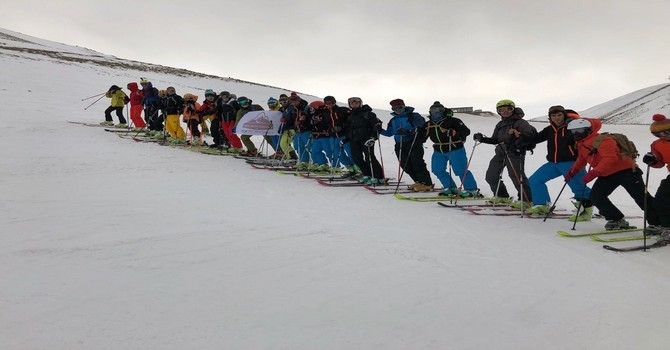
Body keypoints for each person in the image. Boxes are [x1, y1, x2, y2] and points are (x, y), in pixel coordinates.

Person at [564, 118, 661, 230]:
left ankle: (658, 223)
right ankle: (616, 219)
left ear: (589, 130)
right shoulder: (581, 144)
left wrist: (594, 173)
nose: (576, 134)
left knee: (641, 198)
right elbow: (582, 159)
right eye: (572, 131)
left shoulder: (604, 140)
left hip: (627, 171)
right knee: (596, 197)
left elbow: (610, 158)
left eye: (580, 130)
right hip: (607, 174)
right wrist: (573, 172)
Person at [526, 106, 593, 220]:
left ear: (564, 115)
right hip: (554, 163)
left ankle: (586, 210)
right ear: (550, 117)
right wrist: (521, 140)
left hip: (572, 162)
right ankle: (542, 205)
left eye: (559, 115)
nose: (556, 118)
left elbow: (585, 138)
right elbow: (536, 138)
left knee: (578, 187)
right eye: (553, 116)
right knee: (535, 180)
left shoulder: (572, 127)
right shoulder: (549, 129)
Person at [473, 99, 535, 206]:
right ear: (499, 112)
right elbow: (495, 140)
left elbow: (528, 136)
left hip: (515, 153)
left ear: (513, 110)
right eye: (502, 110)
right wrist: (482, 139)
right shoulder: (500, 124)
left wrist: (517, 141)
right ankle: (502, 196)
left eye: (508, 109)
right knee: (491, 176)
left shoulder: (521, 122)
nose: (505, 111)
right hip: (501, 152)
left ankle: (526, 200)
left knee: (517, 177)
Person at [425, 101, 479, 197]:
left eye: (438, 110)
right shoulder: (429, 124)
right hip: (438, 149)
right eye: (432, 111)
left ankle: (471, 190)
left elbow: (466, 131)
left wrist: (455, 133)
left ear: (443, 111)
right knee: (437, 170)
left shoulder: (453, 121)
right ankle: (450, 187)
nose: (435, 113)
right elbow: (422, 136)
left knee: (460, 170)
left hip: (455, 148)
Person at [380, 98, 433, 192]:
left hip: (413, 142)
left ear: (404, 106)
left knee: (417, 163)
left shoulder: (413, 116)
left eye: (399, 107)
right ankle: (418, 181)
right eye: (395, 108)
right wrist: (378, 129)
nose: (397, 110)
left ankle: (426, 183)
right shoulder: (393, 120)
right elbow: (389, 133)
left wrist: (408, 131)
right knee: (405, 165)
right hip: (399, 144)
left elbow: (421, 127)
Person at [640, 113, 670, 239]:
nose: (663, 136)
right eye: (658, 134)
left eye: (666, 132)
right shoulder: (657, 144)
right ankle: (667, 227)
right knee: (661, 200)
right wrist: (652, 160)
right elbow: (660, 163)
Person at [345, 97, 385, 184]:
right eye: (352, 103)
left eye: (356, 103)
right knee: (356, 158)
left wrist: (373, 137)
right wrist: (346, 138)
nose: (354, 105)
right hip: (354, 140)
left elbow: (376, 126)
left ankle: (378, 177)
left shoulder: (368, 114)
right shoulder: (351, 115)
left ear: (360, 103)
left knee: (369, 158)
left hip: (366, 139)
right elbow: (349, 129)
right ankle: (367, 174)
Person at [280, 92, 307, 160]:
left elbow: (293, 118)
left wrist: (287, 121)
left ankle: (293, 158)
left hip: (292, 128)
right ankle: (291, 157)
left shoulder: (292, 108)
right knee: (283, 144)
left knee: (287, 144)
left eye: (285, 102)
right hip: (287, 128)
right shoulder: (284, 109)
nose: (283, 103)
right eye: (281, 102)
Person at [293, 100, 319, 169]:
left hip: (306, 130)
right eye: (292, 101)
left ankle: (318, 162)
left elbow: (311, 118)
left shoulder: (307, 108)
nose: (294, 103)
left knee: (310, 147)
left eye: (295, 100)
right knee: (297, 146)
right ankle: (304, 161)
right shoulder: (294, 109)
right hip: (298, 130)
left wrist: (305, 119)